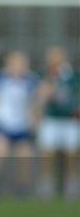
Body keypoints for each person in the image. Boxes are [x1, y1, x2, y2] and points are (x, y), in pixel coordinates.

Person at [0, 51, 39, 197]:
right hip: (4, 124)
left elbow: (36, 103)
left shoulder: (31, 80)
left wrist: (34, 122)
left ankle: (22, 189)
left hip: (22, 126)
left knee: (24, 158)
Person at [36, 46, 80, 200]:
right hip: (51, 120)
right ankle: (46, 187)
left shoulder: (74, 77)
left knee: (72, 154)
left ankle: (73, 187)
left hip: (70, 121)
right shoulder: (45, 76)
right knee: (48, 154)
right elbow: (41, 98)